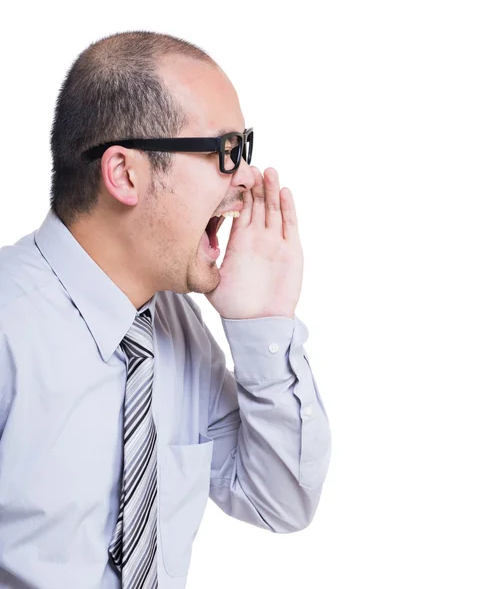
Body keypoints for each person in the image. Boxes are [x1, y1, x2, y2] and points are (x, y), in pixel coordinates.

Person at [0, 31, 331, 589]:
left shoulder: (176, 328)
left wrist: (261, 325)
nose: (249, 179)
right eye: (227, 152)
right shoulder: (10, 323)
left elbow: (280, 501)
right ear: (126, 174)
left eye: (245, 148)